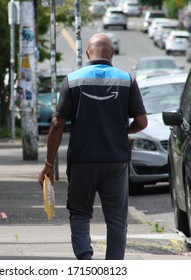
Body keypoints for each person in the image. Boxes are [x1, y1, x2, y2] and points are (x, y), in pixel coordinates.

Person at [38, 33, 147, 260]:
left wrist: (49, 164)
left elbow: (57, 124)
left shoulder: (73, 80)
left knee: (80, 213)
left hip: (82, 161)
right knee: (116, 218)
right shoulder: (127, 79)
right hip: (116, 161)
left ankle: (86, 260)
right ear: (112, 54)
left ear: (88, 53)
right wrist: (121, 132)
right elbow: (142, 122)